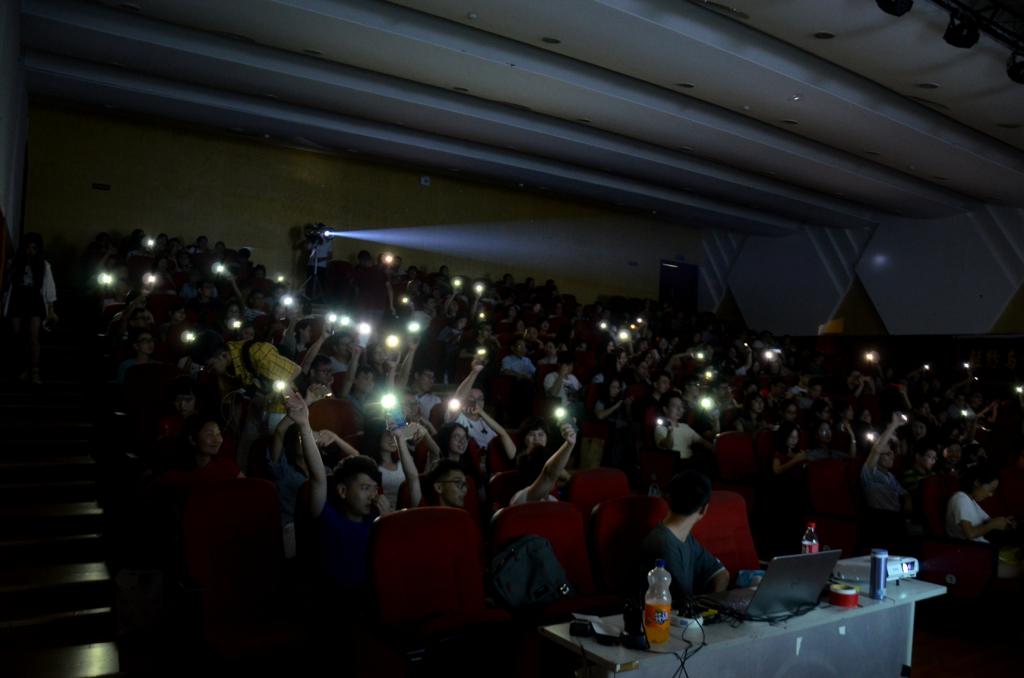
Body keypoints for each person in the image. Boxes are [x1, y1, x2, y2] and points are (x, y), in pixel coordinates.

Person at [288, 391, 389, 598]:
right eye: (364, 488)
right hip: (333, 599)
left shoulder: (376, 519)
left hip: (370, 596)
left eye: (374, 488)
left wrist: (388, 522)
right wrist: (305, 425)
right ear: (343, 491)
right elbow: (318, 477)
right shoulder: (329, 517)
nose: (372, 495)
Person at [639, 471, 729, 601]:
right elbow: (682, 601)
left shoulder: (685, 537)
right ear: (703, 509)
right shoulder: (662, 544)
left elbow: (721, 574)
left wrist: (714, 605)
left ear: (668, 498)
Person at [3, 233, 58, 384]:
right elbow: (8, 284)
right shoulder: (14, 262)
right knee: (18, 335)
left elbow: (49, 287)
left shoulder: (43, 265)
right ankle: (23, 369)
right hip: (17, 299)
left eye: (34, 248)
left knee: (33, 336)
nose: (30, 251)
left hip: (34, 299)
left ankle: (34, 371)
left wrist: (51, 309)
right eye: (27, 247)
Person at [509, 422, 577, 505]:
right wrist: (569, 444)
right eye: (532, 434)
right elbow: (548, 475)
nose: (536, 438)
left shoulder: (553, 499)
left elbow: (566, 478)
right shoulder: (522, 498)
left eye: (540, 434)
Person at [946, 464, 1016, 543]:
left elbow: (988, 521)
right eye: (991, 490)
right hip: (974, 549)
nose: (991, 494)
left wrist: (1003, 522)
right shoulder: (961, 498)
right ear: (977, 483)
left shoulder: (971, 501)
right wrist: (993, 524)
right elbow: (970, 534)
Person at [861, 413, 910, 514]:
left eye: (892, 454)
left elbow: (904, 492)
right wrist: (894, 424)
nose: (892, 457)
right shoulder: (870, 472)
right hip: (881, 516)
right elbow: (877, 449)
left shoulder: (890, 476)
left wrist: (907, 500)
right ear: (878, 457)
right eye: (887, 454)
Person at [653, 392, 712, 470]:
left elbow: (703, 441)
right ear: (665, 409)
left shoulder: (685, 426)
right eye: (675, 406)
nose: (679, 409)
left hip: (691, 462)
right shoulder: (660, 428)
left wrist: (718, 450)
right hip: (675, 465)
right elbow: (668, 446)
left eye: (681, 406)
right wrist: (670, 431)